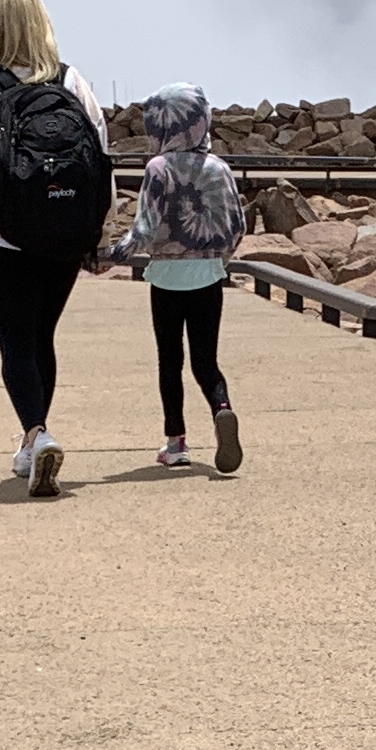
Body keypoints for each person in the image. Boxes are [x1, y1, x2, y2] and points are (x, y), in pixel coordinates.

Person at [0, 0, 110, 496]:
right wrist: (95, 237)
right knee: (42, 339)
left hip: (2, 239)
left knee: (15, 343)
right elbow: (102, 163)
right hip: (63, 238)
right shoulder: (72, 82)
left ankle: (36, 435)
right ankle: (31, 442)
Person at [118, 84, 247, 473]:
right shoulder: (219, 168)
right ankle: (222, 408)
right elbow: (236, 226)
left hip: (166, 279)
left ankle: (176, 443)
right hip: (208, 275)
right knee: (206, 361)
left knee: (170, 360)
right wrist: (217, 258)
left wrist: (112, 255)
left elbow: (143, 228)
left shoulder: (158, 169)